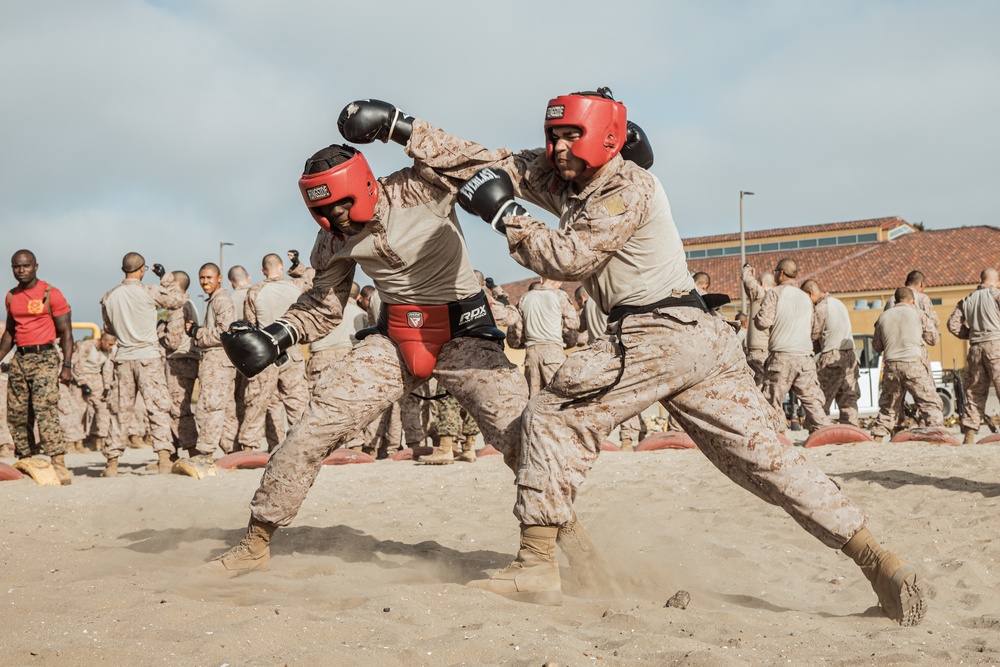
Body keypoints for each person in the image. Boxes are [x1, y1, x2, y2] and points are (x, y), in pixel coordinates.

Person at [390, 88, 923, 623]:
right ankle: (877, 559)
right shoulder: (566, 178)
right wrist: (402, 127)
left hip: (656, 332)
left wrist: (507, 214)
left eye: (570, 135)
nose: (557, 148)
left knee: (551, 415)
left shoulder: (627, 188)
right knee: (767, 459)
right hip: (696, 336)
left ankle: (535, 564)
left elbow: (568, 258)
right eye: (553, 136)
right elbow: (490, 161)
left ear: (606, 136)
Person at [203, 138, 543, 579]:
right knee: (311, 429)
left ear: (362, 184)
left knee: (524, 438)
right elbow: (324, 306)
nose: (335, 217)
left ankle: (548, 545)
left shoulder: (421, 185)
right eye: (324, 210)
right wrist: (277, 335)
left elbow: (495, 162)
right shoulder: (331, 239)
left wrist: (401, 126)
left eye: (342, 204)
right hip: (395, 337)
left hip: (465, 333)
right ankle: (255, 541)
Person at [100, 253, 184, 476]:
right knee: (157, 409)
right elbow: (178, 300)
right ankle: (164, 459)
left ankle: (112, 463)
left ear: (123, 269)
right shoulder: (149, 291)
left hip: (123, 358)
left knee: (119, 411)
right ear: (142, 270)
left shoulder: (109, 296)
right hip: (148, 357)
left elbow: (108, 328)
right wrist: (166, 278)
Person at [0, 250, 74, 484]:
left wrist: (67, 365)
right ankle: (26, 459)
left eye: (26, 266)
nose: (21, 270)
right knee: (17, 413)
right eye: (16, 266)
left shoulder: (51, 294)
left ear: (36, 266)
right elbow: (10, 333)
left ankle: (58, 462)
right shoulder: (11, 296)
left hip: (44, 357)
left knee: (45, 410)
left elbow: (66, 333)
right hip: (19, 359)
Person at [237, 253, 310, 452]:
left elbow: (250, 326)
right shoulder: (295, 287)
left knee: (258, 401)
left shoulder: (254, 291)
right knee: (297, 402)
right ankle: (303, 445)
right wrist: (298, 266)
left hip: (265, 352)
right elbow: (312, 279)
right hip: (292, 350)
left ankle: (249, 448)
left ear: (262, 271)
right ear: (280, 267)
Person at [755, 258, 832, 434]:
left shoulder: (774, 293)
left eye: (775, 272)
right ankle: (824, 432)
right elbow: (814, 330)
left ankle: (779, 436)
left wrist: (758, 317)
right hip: (805, 357)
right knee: (813, 401)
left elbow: (763, 322)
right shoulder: (806, 298)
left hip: (781, 356)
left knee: (772, 400)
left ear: (780, 273)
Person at [870, 287, 944, 441]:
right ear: (913, 301)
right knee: (930, 404)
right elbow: (933, 339)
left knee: (888, 407)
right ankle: (938, 438)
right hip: (913, 365)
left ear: (895, 301)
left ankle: (877, 440)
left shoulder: (883, 316)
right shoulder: (918, 313)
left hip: (891, 366)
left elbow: (877, 346)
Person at [185, 263, 238, 462]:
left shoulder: (221, 300)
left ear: (219, 278)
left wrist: (196, 333)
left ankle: (206, 453)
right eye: (202, 278)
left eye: (209, 278)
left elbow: (225, 332)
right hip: (218, 362)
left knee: (210, 407)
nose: (205, 282)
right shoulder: (215, 300)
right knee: (225, 409)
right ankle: (231, 451)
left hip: (217, 362)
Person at [947, 268, 1000, 444]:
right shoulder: (996, 294)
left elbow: (953, 324)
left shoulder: (967, 300)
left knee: (974, 392)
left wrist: (970, 334)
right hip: (996, 345)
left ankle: (969, 435)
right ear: (996, 281)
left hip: (975, 348)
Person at [802, 280, 861, 427]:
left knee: (820, 397)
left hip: (832, 357)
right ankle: (850, 429)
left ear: (810, 293)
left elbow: (814, 335)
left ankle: (815, 429)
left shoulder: (821, 308)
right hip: (850, 355)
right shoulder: (839, 303)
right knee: (848, 398)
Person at [508, 278, 579, 397]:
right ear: (559, 281)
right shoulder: (560, 295)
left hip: (531, 354)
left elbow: (516, 333)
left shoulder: (525, 298)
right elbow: (573, 324)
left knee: (534, 400)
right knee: (560, 398)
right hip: (553, 352)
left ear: (541, 279)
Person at [160, 271, 200, 456]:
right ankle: (176, 450)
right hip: (186, 359)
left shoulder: (179, 306)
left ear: (175, 283)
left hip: (179, 361)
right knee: (179, 407)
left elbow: (172, 341)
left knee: (177, 408)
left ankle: (190, 450)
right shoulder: (189, 303)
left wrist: (160, 331)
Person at [742, 264, 775, 389]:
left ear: (761, 283)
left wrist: (748, 270)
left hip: (757, 353)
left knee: (756, 390)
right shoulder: (777, 298)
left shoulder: (761, 295)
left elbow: (748, 281)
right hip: (770, 352)